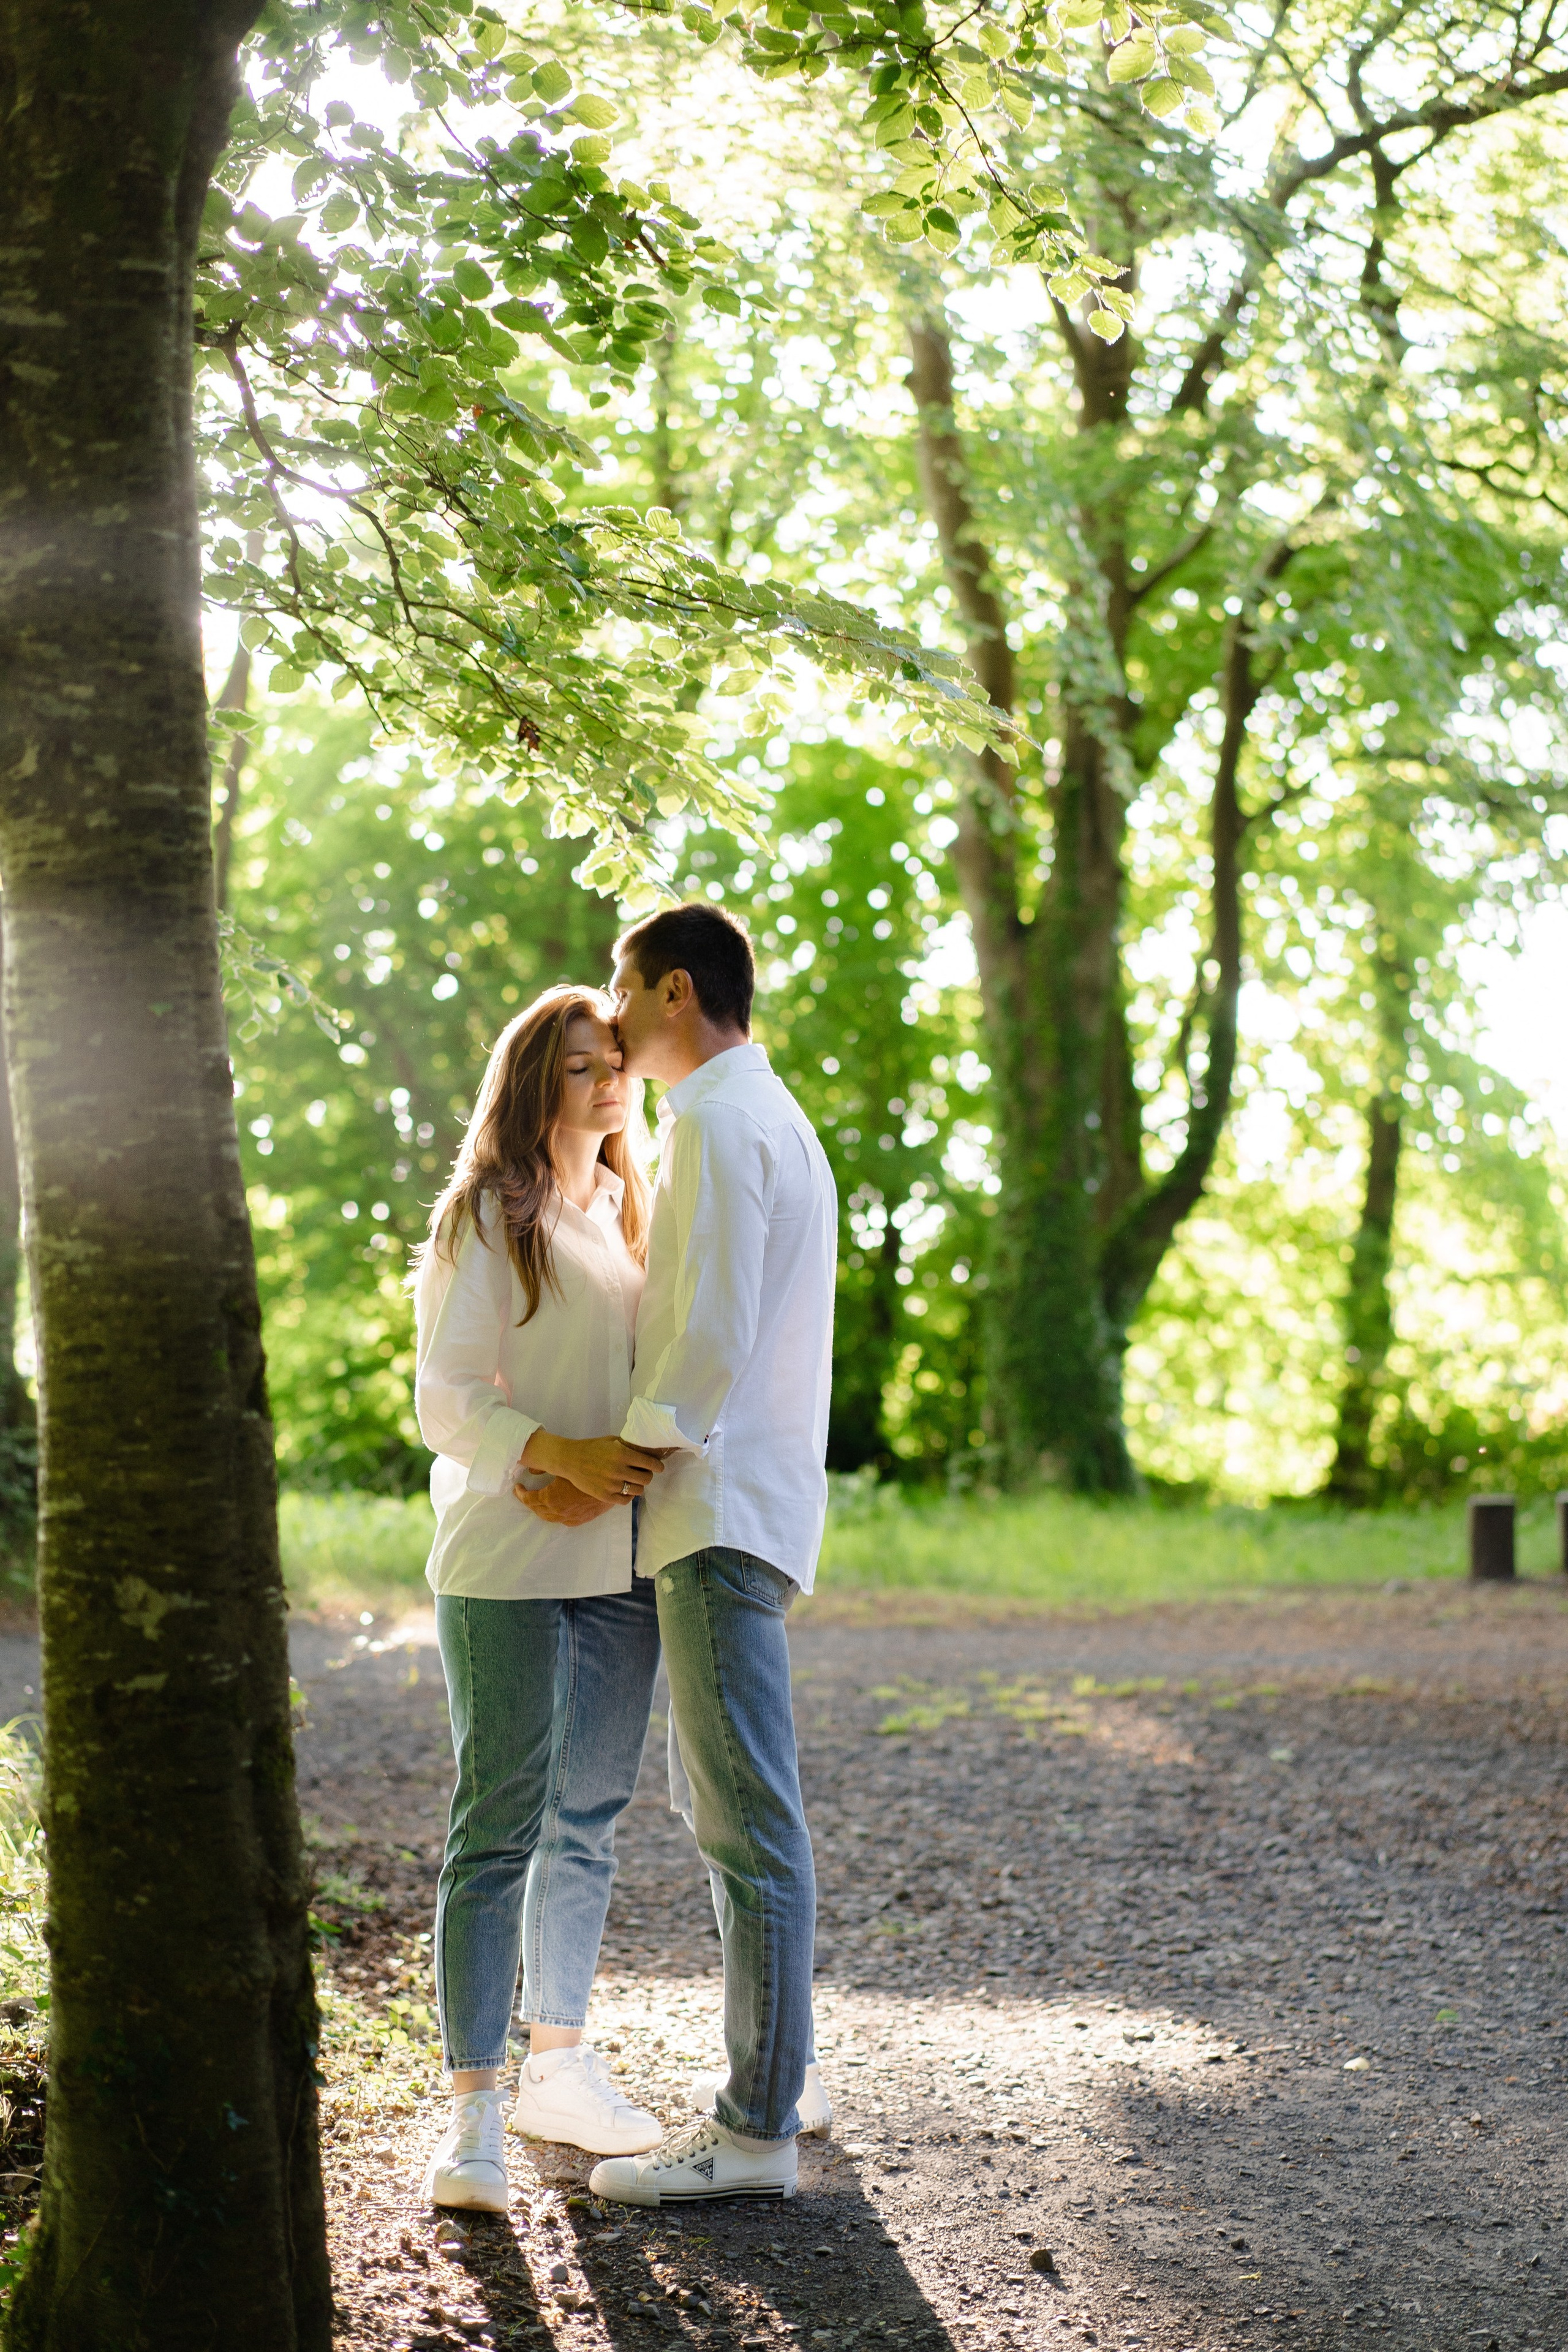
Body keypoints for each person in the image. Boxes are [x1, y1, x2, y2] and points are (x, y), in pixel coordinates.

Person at [535, 902, 837, 2206]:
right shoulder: (768, 1112)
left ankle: (754, 2124)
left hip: (712, 1509)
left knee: (745, 1818)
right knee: (729, 1810)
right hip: (750, 1505)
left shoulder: (711, 1116)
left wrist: (627, 1455)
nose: (607, 1011)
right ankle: (782, 2074)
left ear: (671, 991)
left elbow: (704, 1327)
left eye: (620, 985)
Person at [410, 984, 673, 2212]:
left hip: (622, 1566)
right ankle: (470, 2118)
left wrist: (609, 1473)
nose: (606, 1081)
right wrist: (553, 1457)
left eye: (614, 1061)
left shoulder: (637, 1216)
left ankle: (557, 2066)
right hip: (504, 1560)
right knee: (497, 1823)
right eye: (578, 1067)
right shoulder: (486, 1213)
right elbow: (447, 1399)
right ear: (532, 1086)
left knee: (590, 1816)